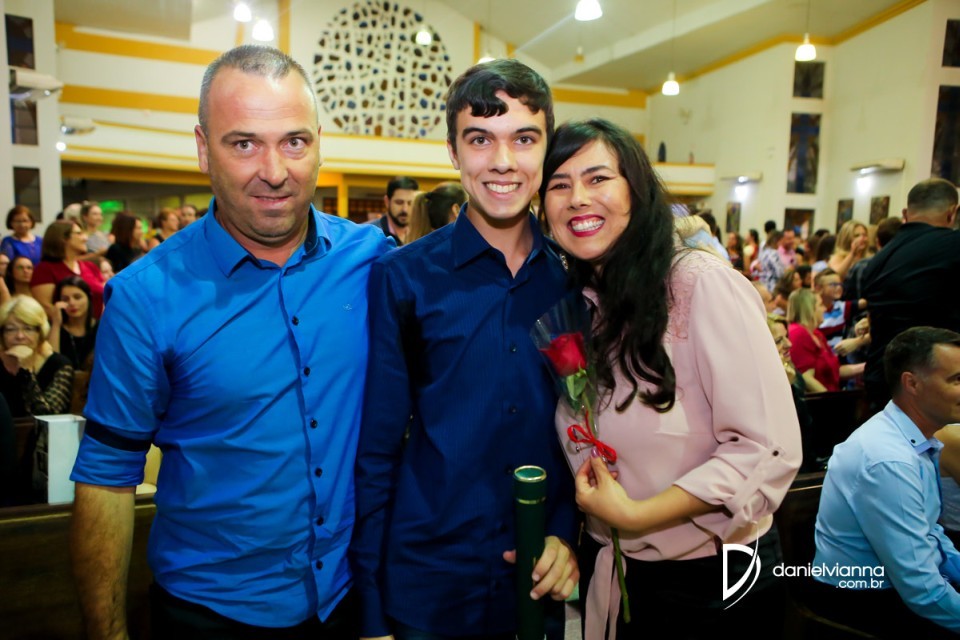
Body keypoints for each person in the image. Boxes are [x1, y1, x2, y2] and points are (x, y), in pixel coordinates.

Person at [69, 44, 391, 639]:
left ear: (319, 144)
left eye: (294, 141)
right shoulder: (145, 297)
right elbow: (106, 477)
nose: (275, 169)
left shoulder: (373, 261)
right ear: (202, 149)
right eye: (244, 143)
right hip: (210, 614)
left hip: (350, 602)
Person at [539, 118, 801, 638]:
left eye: (597, 178)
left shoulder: (700, 286)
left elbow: (765, 447)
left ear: (636, 190)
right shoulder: (580, 304)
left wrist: (639, 515)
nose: (577, 198)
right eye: (559, 185)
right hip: (616, 568)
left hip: (711, 579)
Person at [353, 59, 578, 640]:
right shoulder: (403, 277)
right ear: (453, 152)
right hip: (430, 580)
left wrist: (567, 532)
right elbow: (376, 451)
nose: (502, 161)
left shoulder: (575, 280)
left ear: (546, 148)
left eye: (523, 139)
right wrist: (371, 614)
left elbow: (586, 429)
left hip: (539, 574)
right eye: (480, 140)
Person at [810, 327, 960, 637]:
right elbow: (923, 590)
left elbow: (931, 535)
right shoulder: (889, 459)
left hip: (894, 589)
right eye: (957, 379)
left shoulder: (910, 438)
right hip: (862, 603)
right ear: (912, 383)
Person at [861, 178, 960, 412]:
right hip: (933, 383)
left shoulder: (878, 260)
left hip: (884, 377)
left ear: (905, 213)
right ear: (952, 212)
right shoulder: (954, 246)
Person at [0, 295, 74, 418]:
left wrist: (27, 373)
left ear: (40, 332)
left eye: (28, 329)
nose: (20, 336)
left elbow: (48, 418)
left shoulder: (59, 365)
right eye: (11, 329)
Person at [786, 288, 863, 392]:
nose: (825, 309)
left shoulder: (817, 334)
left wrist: (866, 367)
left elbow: (836, 371)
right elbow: (807, 378)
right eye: (820, 305)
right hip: (819, 400)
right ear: (809, 309)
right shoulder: (798, 333)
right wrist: (831, 399)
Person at [31, 221, 106, 319]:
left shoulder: (90, 267)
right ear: (63, 238)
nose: (85, 238)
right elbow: (45, 307)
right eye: (79, 233)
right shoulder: (45, 270)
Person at [50, 276, 97, 371]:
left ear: (88, 297)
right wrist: (56, 324)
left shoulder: (101, 327)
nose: (71, 303)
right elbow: (52, 364)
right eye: (65, 299)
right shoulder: (55, 329)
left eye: (77, 297)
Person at [372, 175, 418, 246]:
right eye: (399, 202)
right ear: (387, 202)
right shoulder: (371, 234)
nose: (405, 209)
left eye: (410, 203)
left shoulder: (423, 233)